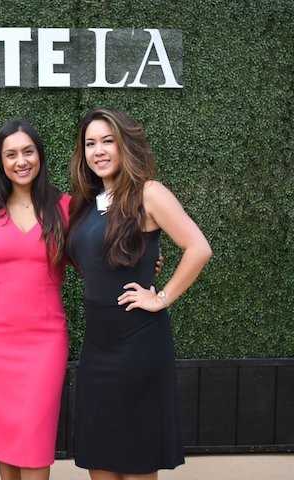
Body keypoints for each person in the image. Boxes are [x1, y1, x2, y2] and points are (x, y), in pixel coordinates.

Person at [66, 107, 212, 480]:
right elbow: (90, 258)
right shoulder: (87, 201)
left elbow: (198, 248)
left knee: (135, 460)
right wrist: (144, 257)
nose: (98, 151)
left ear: (124, 144)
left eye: (107, 141)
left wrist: (160, 296)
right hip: (98, 346)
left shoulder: (150, 193)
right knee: (99, 458)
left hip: (139, 344)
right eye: (90, 144)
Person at [0, 119, 70, 480]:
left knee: (34, 436)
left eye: (27, 151)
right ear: (1, 162)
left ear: (40, 155)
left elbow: (94, 256)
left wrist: (141, 264)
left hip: (45, 339)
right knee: (4, 436)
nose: (21, 161)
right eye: (11, 154)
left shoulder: (65, 208)